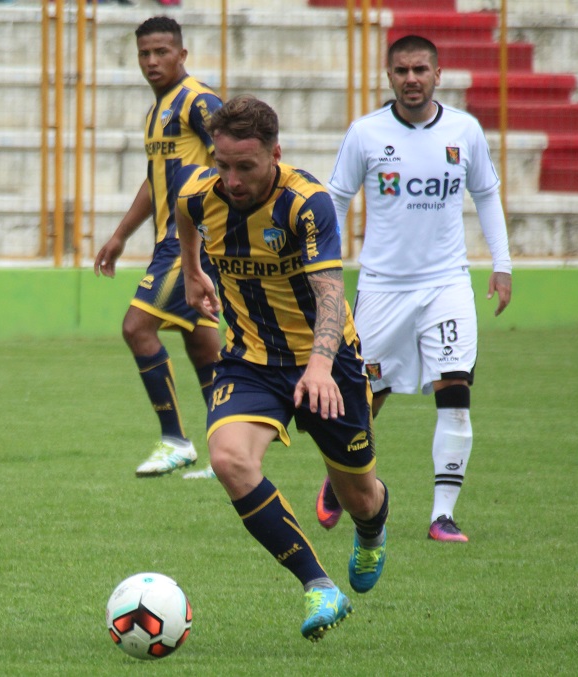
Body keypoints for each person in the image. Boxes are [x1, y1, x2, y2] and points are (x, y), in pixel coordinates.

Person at [175, 95, 389, 641]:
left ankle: (371, 529)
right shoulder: (200, 195)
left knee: (359, 496)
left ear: (275, 154)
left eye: (245, 166)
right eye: (222, 165)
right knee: (229, 459)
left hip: (329, 364)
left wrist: (318, 367)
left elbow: (330, 294)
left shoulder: (306, 204)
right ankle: (319, 585)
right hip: (249, 361)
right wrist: (193, 271)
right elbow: (184, 215)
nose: (232, 180)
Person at [314, 35, 512, 543]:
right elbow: (335, 200)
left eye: (420, 69)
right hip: (382, 288)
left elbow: (487, 195)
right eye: (401, 70)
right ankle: (342, 475)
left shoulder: (464, 130)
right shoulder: (366, 133)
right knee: (367, 395)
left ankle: (442, 516)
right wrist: (323, 267)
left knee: (456, 388)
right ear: (389, 76)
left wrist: (502, 264)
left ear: (437, 74)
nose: (411, 79)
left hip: (447, 283)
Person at [93, 16, 222, 479]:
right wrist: (120, 235)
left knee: (137, 327)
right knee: (203, 348)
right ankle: (229, 452)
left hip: (191, 244)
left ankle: (176, 441)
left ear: (181, 54)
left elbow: (234, 158)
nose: (152, 61)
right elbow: (155, 182)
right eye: (144, 53)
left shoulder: (200, 102)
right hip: (168, 240)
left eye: (161, 52)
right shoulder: (156, 113)